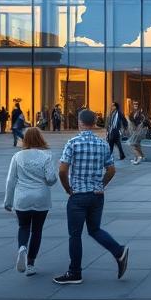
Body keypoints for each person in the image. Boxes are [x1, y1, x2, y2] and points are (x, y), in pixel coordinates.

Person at [54, 108, 130, 285]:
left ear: (80, 122)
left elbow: (63, 170)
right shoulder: (103, 144)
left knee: (75, 235)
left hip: (78, 196)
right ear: (94, 123)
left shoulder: (73, 143)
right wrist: (101, 185)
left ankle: (75, 272)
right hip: (97, 196)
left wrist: (68, 189)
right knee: (94, 230)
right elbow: (111, 170)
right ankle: (118, 251)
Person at [5, 126, 58, 276]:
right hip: (41, 197)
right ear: (40, 138)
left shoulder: (17, 156)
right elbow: (51, 178)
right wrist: (48, 183)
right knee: (37, 231)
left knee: (23, 227)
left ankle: (22, 246)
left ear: (25, 139)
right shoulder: (46, 155)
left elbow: (11, 180)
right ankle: (31, 264)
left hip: (22, 198)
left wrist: (8, 202)